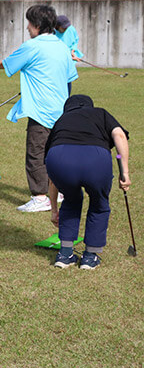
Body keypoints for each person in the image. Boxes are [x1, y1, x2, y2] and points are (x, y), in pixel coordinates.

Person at [0, 4, 78, 213]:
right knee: (54, 153)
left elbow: (8, 63)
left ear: (36, 25)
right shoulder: (61, 46)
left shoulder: (32, 46)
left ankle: (40, 197)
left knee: (36, 153)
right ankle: (59, 191)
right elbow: (69, 78)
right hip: (61, 110)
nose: (27, 27)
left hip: (40, 110)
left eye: (29, 23)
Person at [46, 95, 130, 269]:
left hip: (59, 159)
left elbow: (52, 180)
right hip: (96, 160)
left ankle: (65, 254)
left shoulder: (61, 120)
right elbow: (119, 135)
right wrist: (125, 173)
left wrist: (54, 210)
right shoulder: (100, 113)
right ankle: (90, 257)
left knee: (71, 200)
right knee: (99, 204)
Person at [54, 14, 83, 94]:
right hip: (57, 60)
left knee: (68, 79)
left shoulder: (71, 29)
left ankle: (67, 97)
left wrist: (73, 51)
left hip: (68, 59)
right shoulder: (52, 33)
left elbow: (75, 40)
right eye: (63, 27)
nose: (66, 29)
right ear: (57, 26)